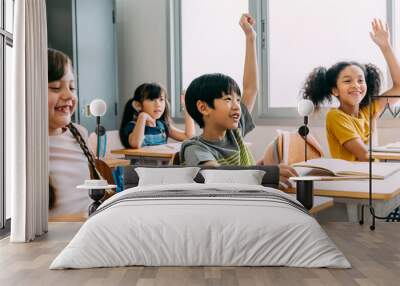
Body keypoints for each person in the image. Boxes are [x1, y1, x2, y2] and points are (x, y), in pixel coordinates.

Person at [180, 13, 297, 189]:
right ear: (203, 107)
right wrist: (267, 173)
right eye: (228, 99)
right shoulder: (194, 149)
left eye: (238, 99)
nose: (237, 106)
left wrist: (250, 37)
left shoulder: (233, 133)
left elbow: (251, 88)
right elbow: (217, 177)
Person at [302, 19, 400, 161]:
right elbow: (365, 156)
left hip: (373, 176)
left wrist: (386, 47)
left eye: (360, 80)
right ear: (335, 90)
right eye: (348, 81)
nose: (356, 85)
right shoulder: (336, 116)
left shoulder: (368, 110)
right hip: (352, 180)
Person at [48, 48, 103, 220]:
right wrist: (83, 219)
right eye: (56, 87)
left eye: (72, 87)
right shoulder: (15, 144)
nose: (69, 95)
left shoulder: (79, 133)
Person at [119, 83, 195, 148]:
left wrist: (187, 107)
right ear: (138, 105)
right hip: (140, 166)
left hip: (162, 165)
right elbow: (136, 144)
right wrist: (142, 116)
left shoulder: (162, 125)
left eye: (161, 100)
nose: (158, 104)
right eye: (152, 99)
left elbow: (189, 137)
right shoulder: (132, 126)